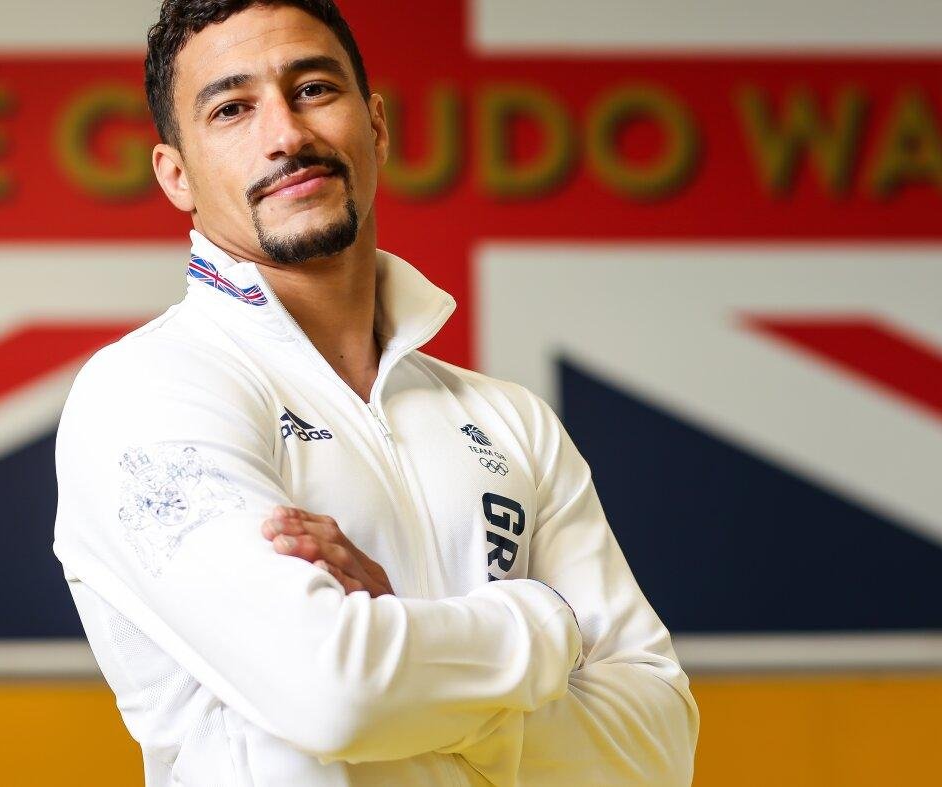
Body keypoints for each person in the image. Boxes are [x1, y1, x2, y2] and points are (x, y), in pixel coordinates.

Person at [51, 1, 699, 784]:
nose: (286, 134)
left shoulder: (511, 420)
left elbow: (657, 749)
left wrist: (410, 636)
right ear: (176, 175)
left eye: (314, 89)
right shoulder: (146, 391)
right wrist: (547, 624)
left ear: (377, 125)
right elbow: (337, 693)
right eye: (232, 109)